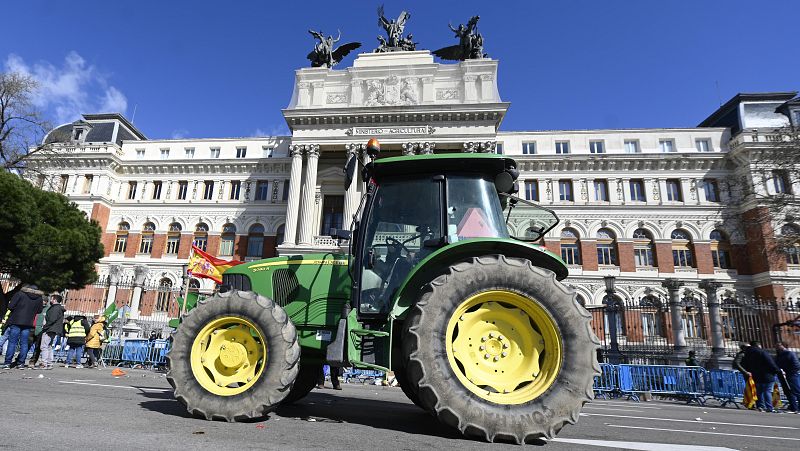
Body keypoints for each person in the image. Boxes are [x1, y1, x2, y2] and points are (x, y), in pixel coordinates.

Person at [1, 285, 45, 369]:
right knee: (24, 343)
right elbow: (39, 310)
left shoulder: (20, 294)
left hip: (16, 320)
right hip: (28, 322)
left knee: (12, 342)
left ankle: (7, 362)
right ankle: (21, 363)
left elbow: (10, 306)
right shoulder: (39, 298)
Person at [742, 340, 782, 412]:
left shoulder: (747, 353)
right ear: (758, 345)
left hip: (755, 375)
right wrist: (777, 371)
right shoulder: (762, 352)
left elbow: (745, 364)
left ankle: (760, 406)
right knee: (767, 391)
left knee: (759, 391)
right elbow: (770, 363)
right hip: (767, 375)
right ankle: (769, 407)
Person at [36, 294, 65, 369]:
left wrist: (45, 327)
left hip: (49, 329)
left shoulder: (55, 308)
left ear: (55, 300)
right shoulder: (59, 308)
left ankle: (44, 363)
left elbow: (52, 319)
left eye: (51, 299)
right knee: (49, 346)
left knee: (44, 346)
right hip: (54, 329)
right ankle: (49, 363)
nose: (50, 300)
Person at [776, 342, 800, 414]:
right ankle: (794, 407)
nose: (776, 347)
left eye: (778, 345)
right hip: (782, 375)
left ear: (783, 346)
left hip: (791, 375)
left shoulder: (790, 354)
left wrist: (788, 372)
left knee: (796, 391)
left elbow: (796, 365)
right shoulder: (778, 355)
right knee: (788, 392)